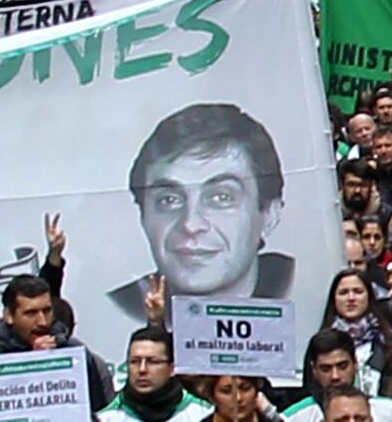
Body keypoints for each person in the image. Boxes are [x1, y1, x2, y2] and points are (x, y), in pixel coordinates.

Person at [120, 100, 296, 324]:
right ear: (143, 215)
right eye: (169, 200)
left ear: (269, 215)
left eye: (221, 197)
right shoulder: (116, 311)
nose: (190, 224)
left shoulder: (307, 290)